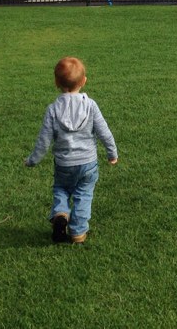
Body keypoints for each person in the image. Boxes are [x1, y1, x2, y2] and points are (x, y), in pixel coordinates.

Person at [25, 56, 118, 244]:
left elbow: (43, 141)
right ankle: (78, 233)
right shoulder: (90, 106)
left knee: (61, 189)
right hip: (88, 163)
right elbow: (104, 132)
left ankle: (60, 214)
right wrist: (112, 153)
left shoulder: (52, 110)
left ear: (56, 83)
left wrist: (32, 160)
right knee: (84, 194)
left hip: (64, 164)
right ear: (84, 81)